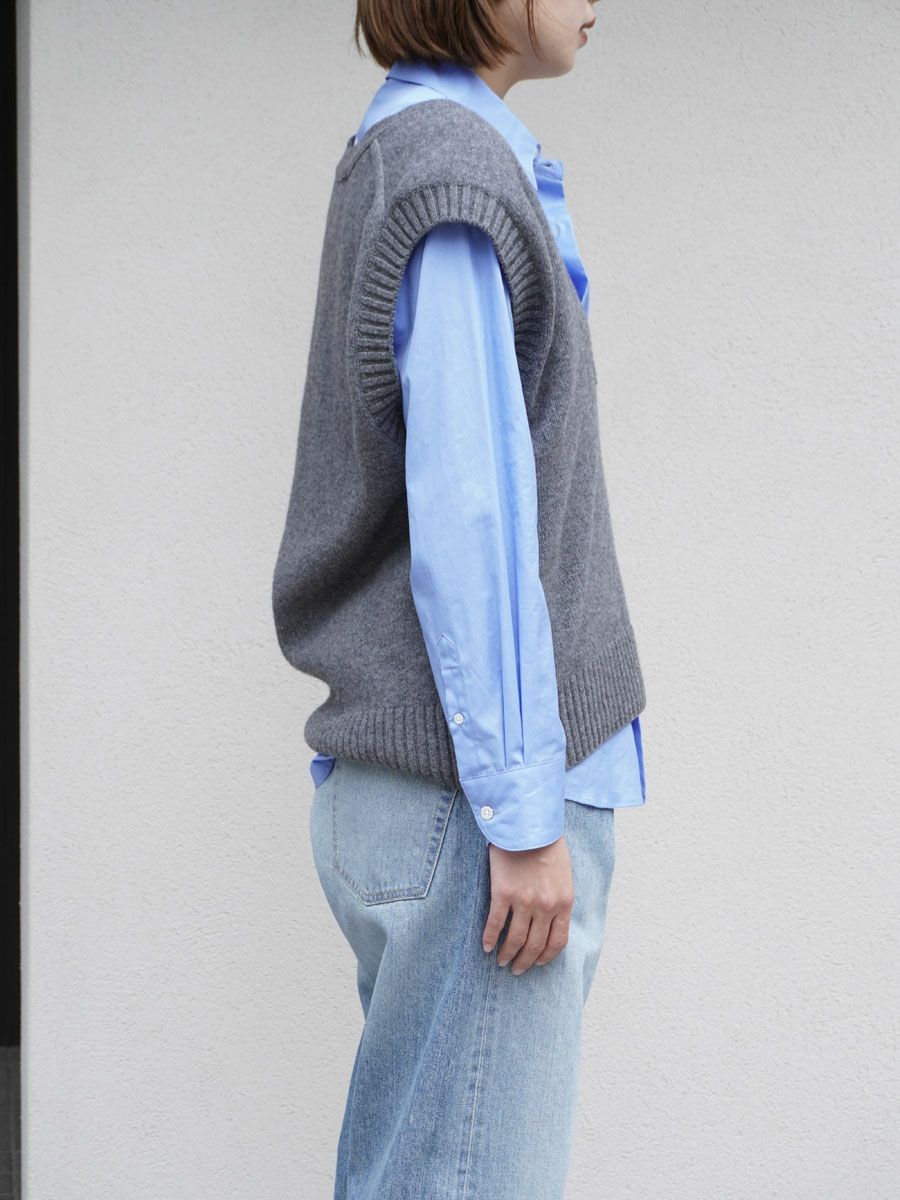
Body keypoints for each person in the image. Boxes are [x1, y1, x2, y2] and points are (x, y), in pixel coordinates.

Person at [271, 2, 647, 1195]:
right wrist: (525, 818)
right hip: (477, 812)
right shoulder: (451, 176)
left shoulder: (422, 155)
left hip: (445, 800)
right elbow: (471, 515)